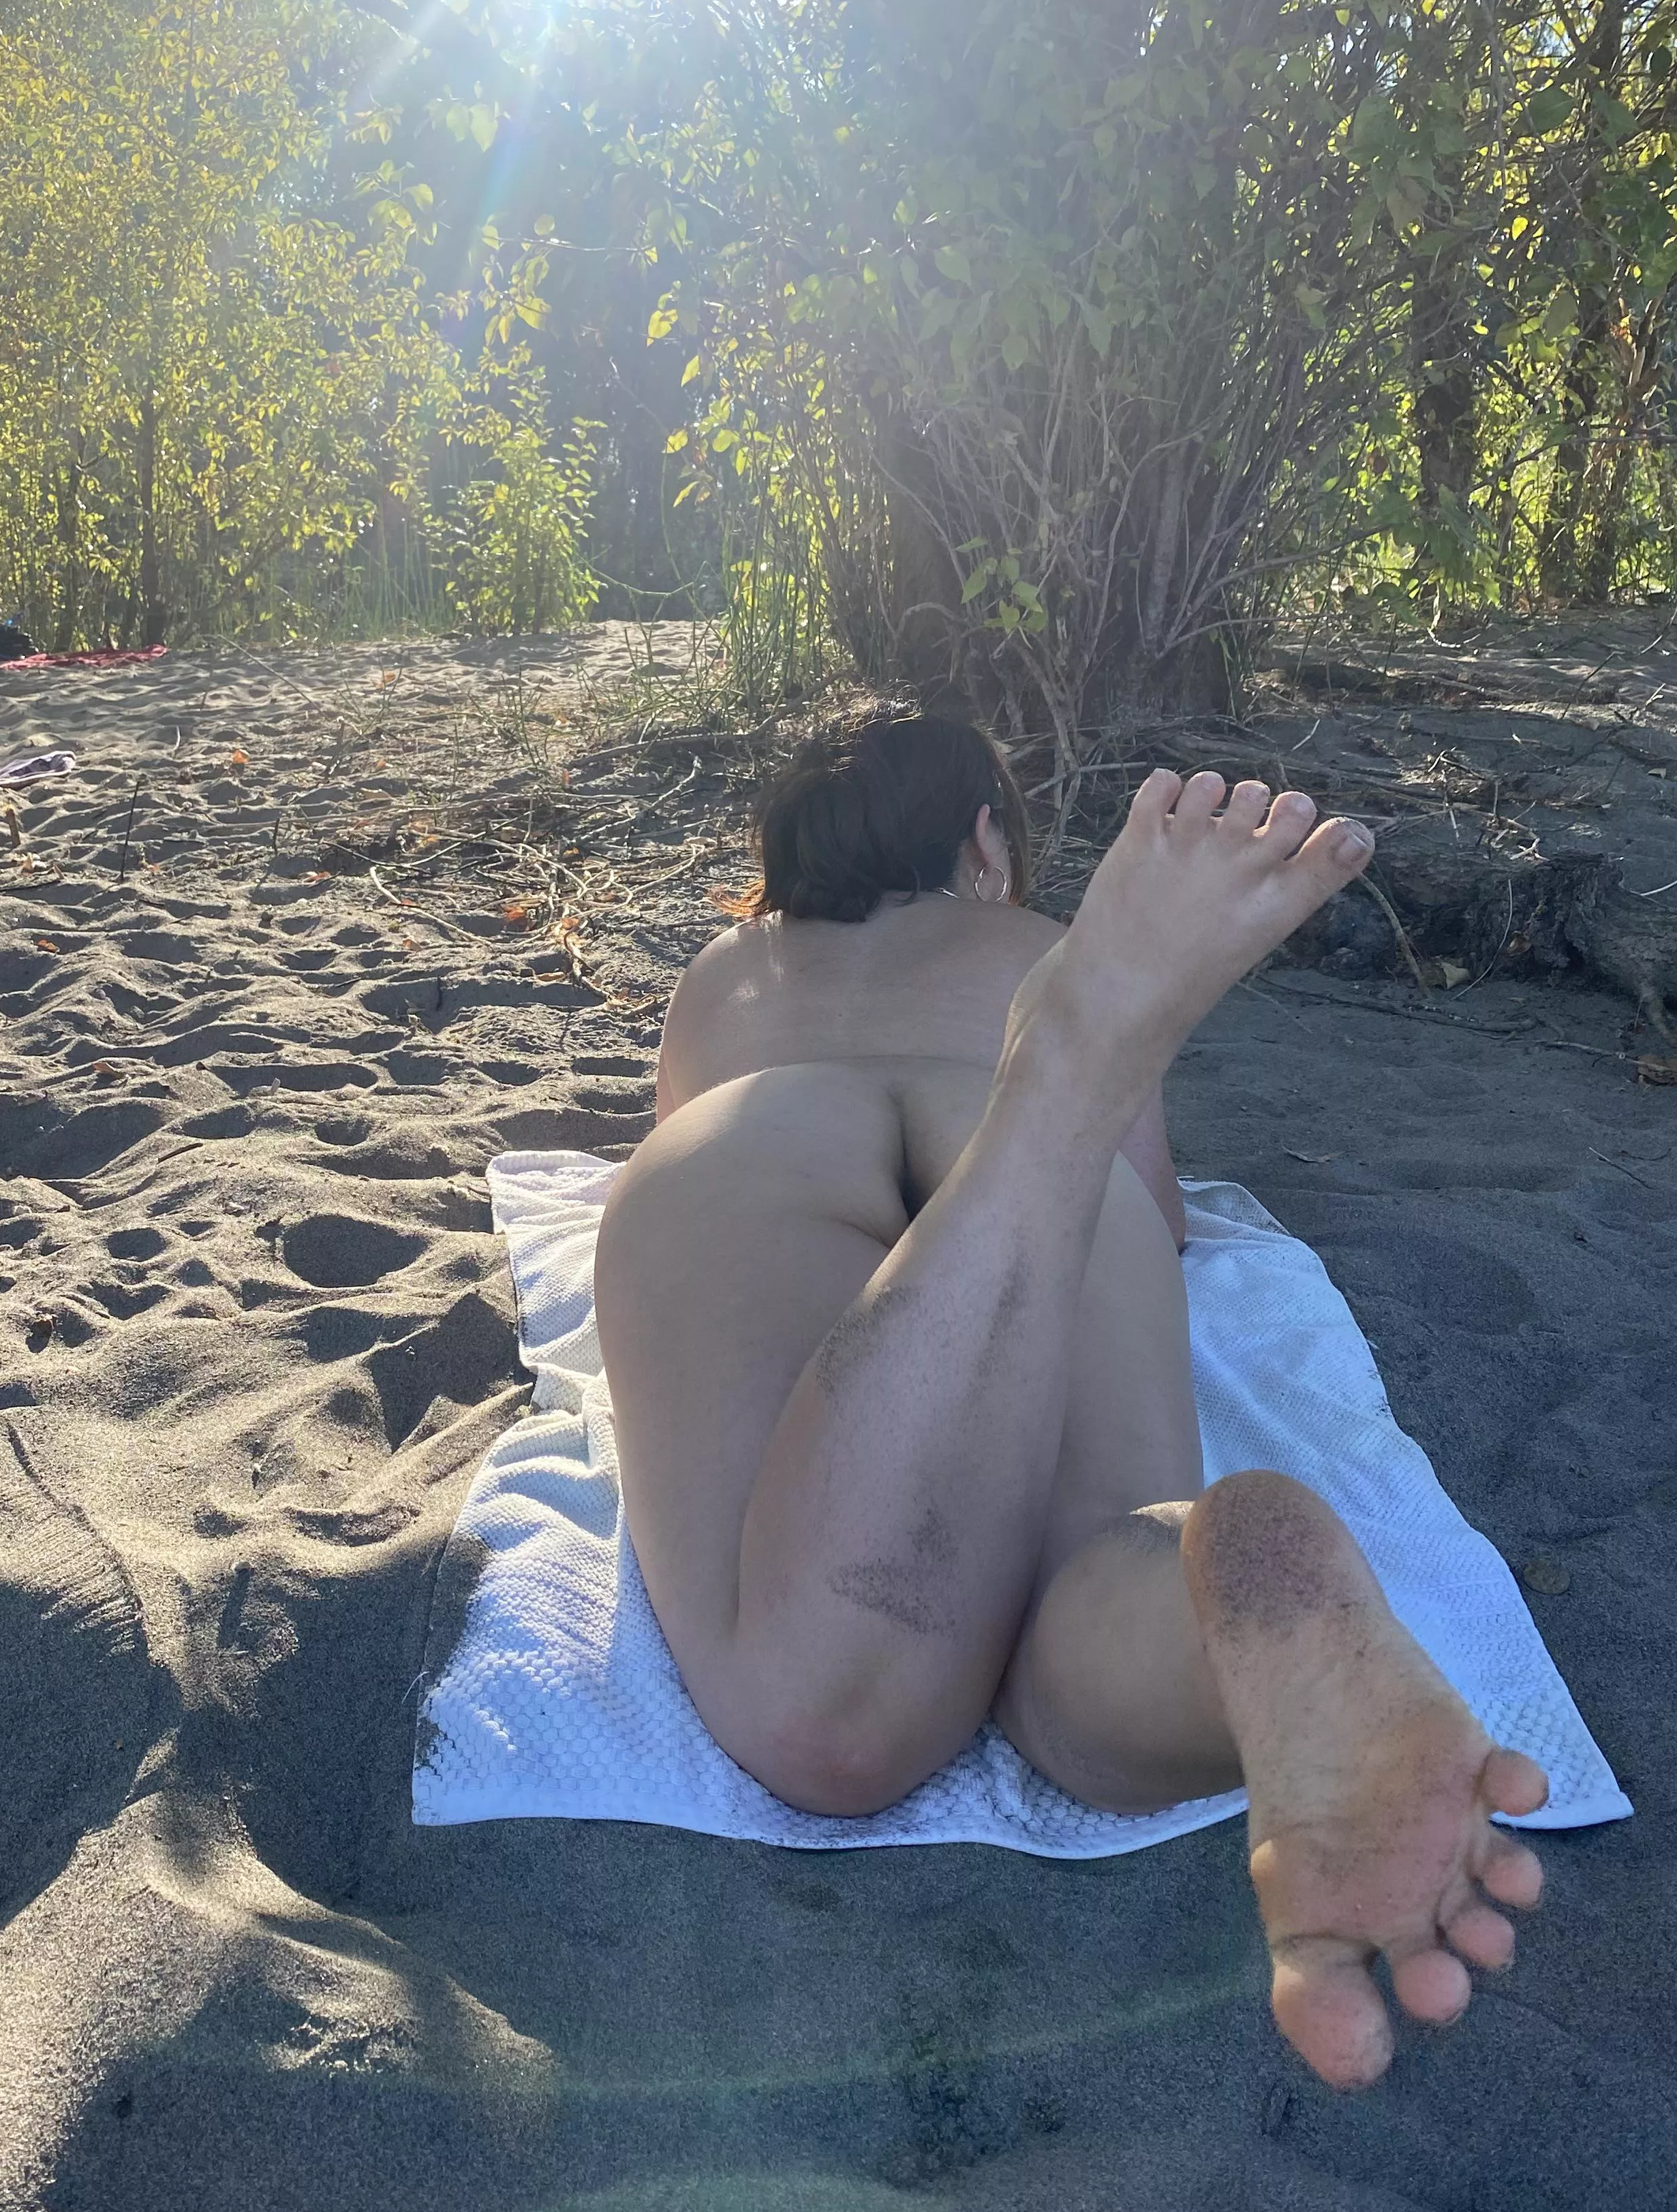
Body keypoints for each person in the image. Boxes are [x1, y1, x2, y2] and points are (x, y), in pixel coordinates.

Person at [595, 708, 1547, 2090]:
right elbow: (1160, 1216)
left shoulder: (722, 973)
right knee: (1089, 1580)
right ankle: (1217, 1600)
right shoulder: (1030, 942)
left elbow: (668, 1143)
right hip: (1024, 1147)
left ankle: (1059, 1087)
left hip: (755, 1141)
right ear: (983, 840)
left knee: (830, 1716)